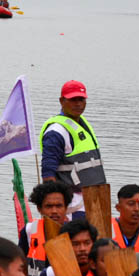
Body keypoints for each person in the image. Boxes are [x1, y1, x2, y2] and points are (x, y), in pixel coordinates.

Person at [40, 80, 105, 213]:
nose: (78, 104)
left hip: (95, 201)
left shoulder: (83, 124)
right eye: (73, 99)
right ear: (61, 101)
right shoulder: (56, 132)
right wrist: (56, 208)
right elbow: (48, 174)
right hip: (72, 207)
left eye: (81, 99)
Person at [20, 179, 72, 276]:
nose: (54, 211)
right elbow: (19, 263)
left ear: (66, 208)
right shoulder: (29, 230)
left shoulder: (74, 233)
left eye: (59, 206)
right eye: (48, 206)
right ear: (39, 209)